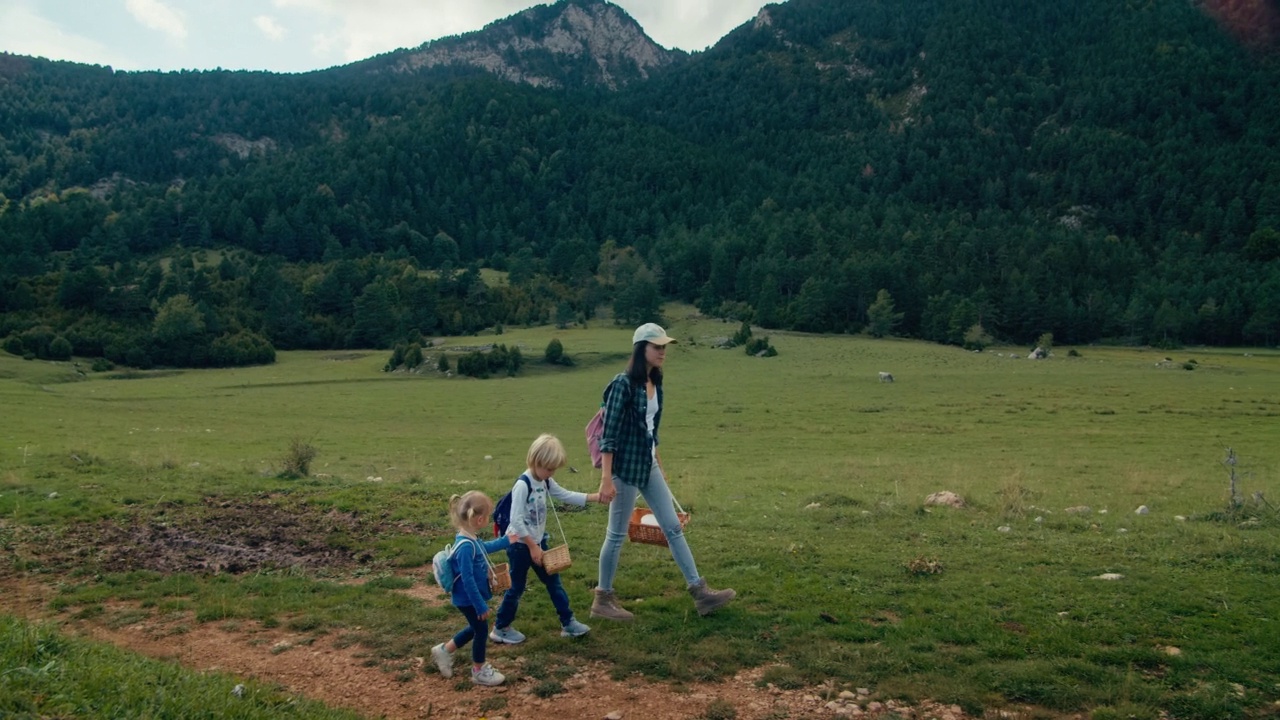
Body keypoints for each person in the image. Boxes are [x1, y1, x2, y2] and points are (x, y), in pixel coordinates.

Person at [591, 322, 735, 620]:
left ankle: (701, 593)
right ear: (641, 348)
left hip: (648, 465)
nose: (662, 352)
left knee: (672, 527)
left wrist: (660, 464)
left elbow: (650, 429)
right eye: (657, 346)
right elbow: (609, 434)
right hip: (624, 469)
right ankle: (602, 600)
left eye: (664, 347)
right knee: (616, 535)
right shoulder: (622, 384)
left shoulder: (655, 384)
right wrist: (606, 479)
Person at [490, 434, 604, 644]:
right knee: (516, 587)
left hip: (538, 545)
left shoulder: (545, 480)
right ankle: (501, 627)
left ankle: (568, 622)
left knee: (554, 582)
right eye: (550, 469)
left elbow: (564, 494)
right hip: (520, 546)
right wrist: (533, 546)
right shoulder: (523, 485)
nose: (552, 473)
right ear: (536, 461)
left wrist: (594, 497)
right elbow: (515, 521)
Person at [430, 491, 515, 686]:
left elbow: (483, 548)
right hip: (467, 598)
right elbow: (467, 580)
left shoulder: (469, 538)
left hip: (468, 598)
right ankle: (479, 669)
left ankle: (444, 650)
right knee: (481, 630)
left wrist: (506, 540)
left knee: (476, 628)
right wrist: (479, 605)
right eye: (488, 516)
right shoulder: (466, 546)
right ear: (479, 519)